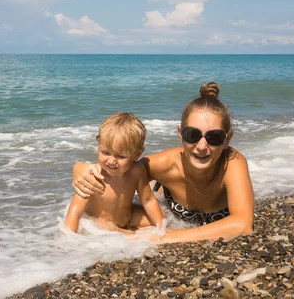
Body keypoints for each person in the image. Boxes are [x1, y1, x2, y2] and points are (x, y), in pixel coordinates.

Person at [72, 82, 254, 244]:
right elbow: (119, 169)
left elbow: (243, 224)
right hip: (160, 199)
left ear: (227, 139)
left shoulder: (232, 163)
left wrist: (167, 237)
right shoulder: (164, 164)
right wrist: (79, 168)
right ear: (180, 133)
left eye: (214, 137)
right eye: (193, 134)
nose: (202, 146)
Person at [64, 112, 164, 233]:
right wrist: (67, 241)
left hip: (127, 217)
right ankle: (123, 232)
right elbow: (75, 211)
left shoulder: (136, 171)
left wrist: (162, 229)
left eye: (121, 156)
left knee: (162, 218)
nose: (111, 161)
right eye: (105, 152)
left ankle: (127, 230)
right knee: (98, 226)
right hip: (98, 223)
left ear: (137, 154)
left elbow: (148, 200)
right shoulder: (93, 176)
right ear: (98, 144)